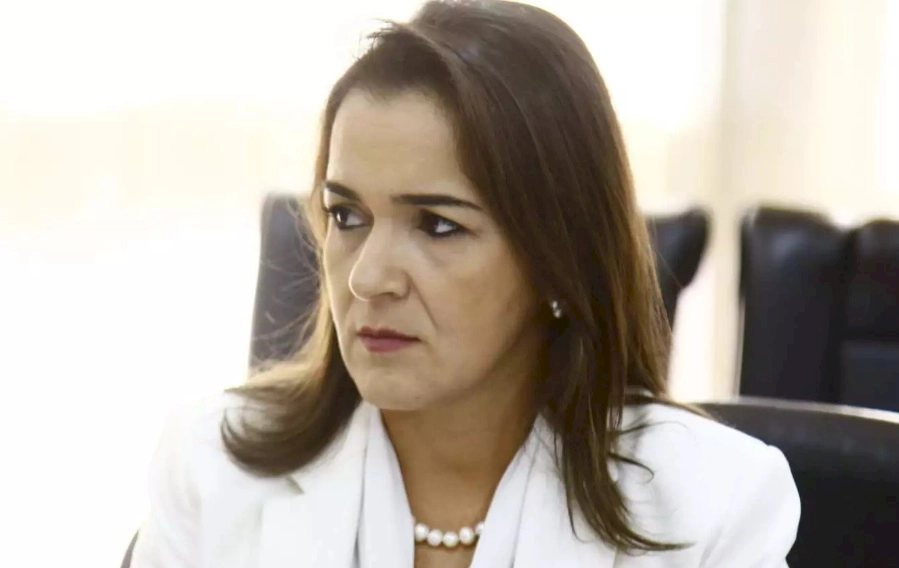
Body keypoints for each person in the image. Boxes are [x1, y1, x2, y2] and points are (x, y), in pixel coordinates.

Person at [130, 1, 800, 567]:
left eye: (438, 225)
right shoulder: (210, 469)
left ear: (556, 257)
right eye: (346, 216)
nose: (367, 278)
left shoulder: (713, 506)